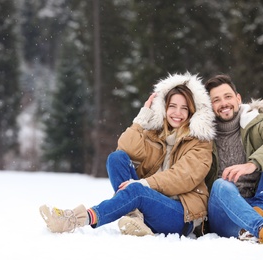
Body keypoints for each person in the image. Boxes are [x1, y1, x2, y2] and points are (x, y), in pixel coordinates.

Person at [39, 72, 216, 237]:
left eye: (184, 108)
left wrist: (143, 183)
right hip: (149, 203)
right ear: (163, 108)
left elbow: (182, 177)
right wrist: (142, 118)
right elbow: (125, 147)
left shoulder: (201, 142)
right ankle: (134, 218)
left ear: (192, 112)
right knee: (116, 159)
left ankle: (75, 219)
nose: (177, 113)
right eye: (172, 106)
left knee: (137, 190)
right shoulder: (156, 133)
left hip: (181, 214)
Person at [203, 74, 263, 250]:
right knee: (221, 185)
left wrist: (253, 163)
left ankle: (260, 223)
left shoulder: (256, 122)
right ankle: (261, 229)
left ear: (238, 98)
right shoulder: (203, 135)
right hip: (227, 216)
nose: (224, 103)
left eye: (228, 96)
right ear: (210, 106)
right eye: (216, 100)